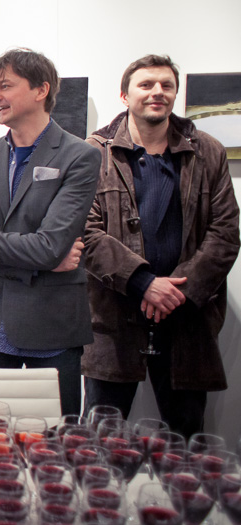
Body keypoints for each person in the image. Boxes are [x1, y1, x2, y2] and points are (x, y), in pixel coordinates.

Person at [81, 55, 239, 437]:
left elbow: (225, 233)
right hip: (113, 321)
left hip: (187, 321)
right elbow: (85, 231)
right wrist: (143, 283)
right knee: (100, 441)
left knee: (186, 441)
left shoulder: (209, 151)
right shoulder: (93, 153)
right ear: (124, 95)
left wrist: (174, 292)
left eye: (167, 85)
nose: (158, 92)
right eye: (146, 84)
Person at [0, 48, 100, 416]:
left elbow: (48, 246)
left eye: (5, 86)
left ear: (40, 90)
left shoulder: (79, 156)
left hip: (52, 330)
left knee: (55, 441)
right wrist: (42, 262)